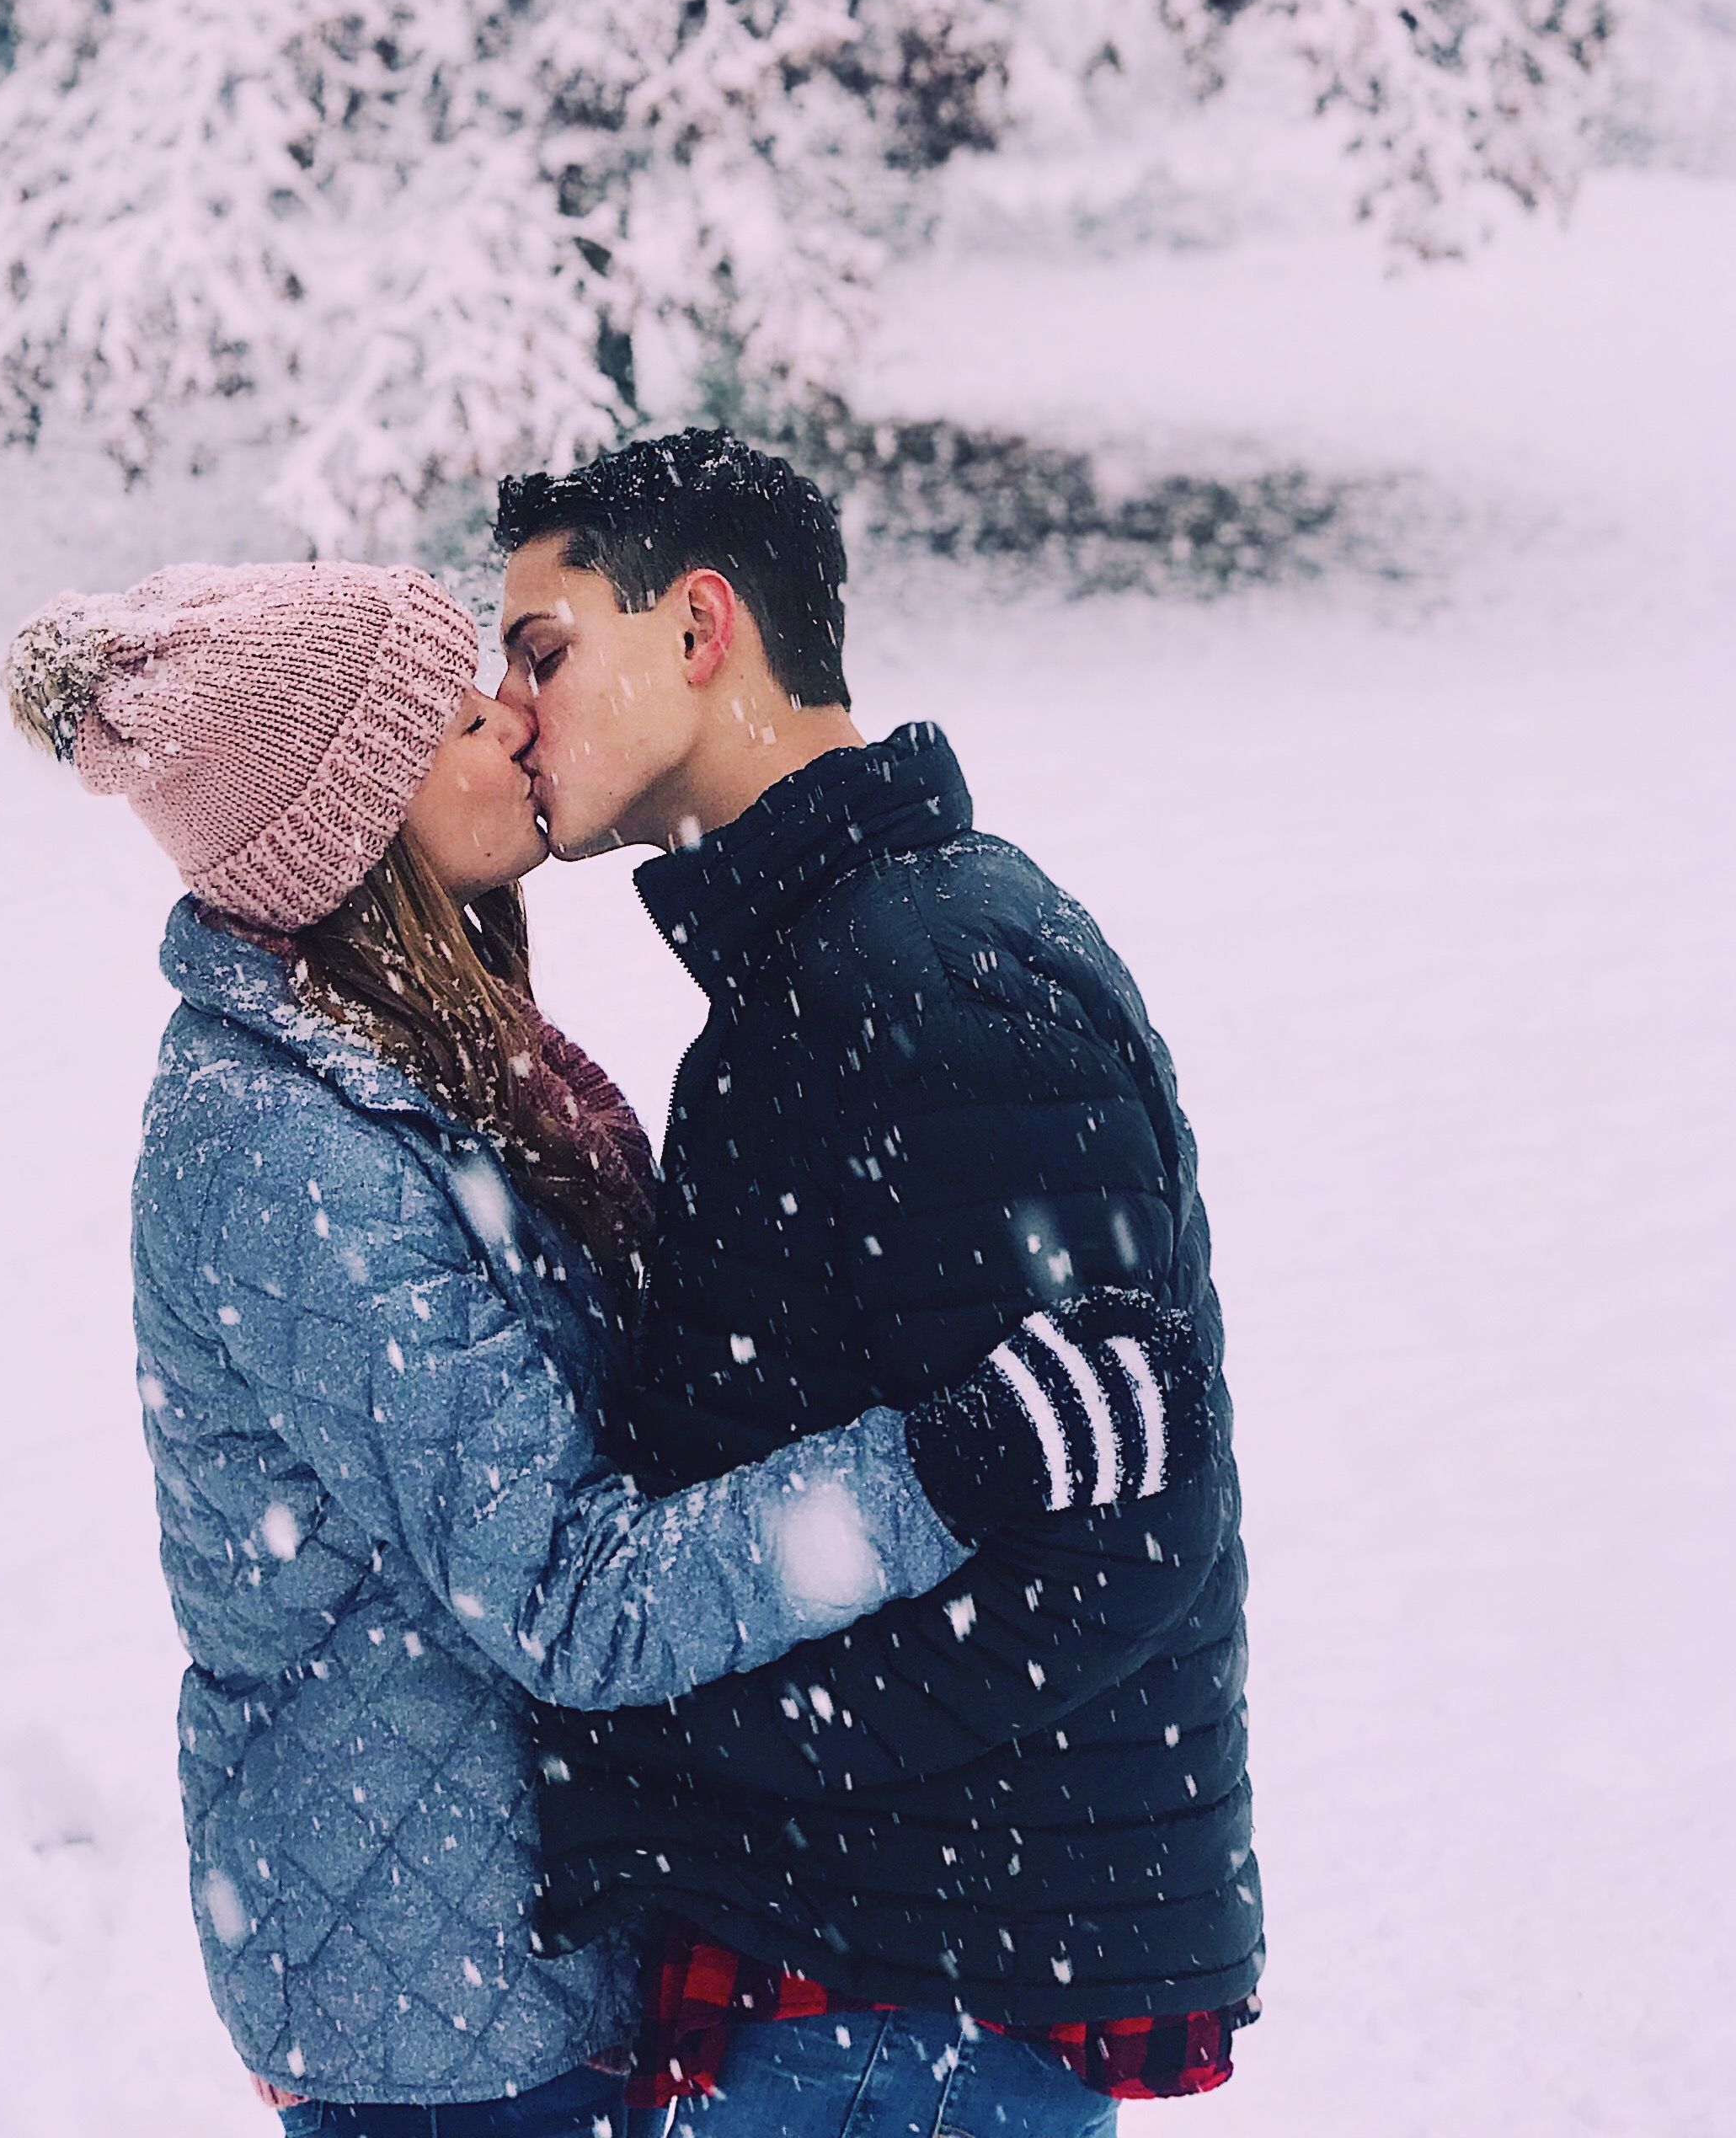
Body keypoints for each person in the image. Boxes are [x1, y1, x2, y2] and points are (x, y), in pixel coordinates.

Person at [2, 558, 1216, 2137]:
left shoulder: (425, 1063)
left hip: (504, 1933)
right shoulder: (289, 1159)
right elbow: (569, 1589)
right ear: (349, 831)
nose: (515, 723)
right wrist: (946, 1461)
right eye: (451, 719)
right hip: (442, 2009)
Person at [494, 431, 1262, 2135]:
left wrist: (685, 1732)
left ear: (699, 630)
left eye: (543, 651)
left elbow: (1112, 1536)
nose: (513, 713)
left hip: (914, 2007)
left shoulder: (928, 979)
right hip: (868, 1975)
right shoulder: (828, 968)